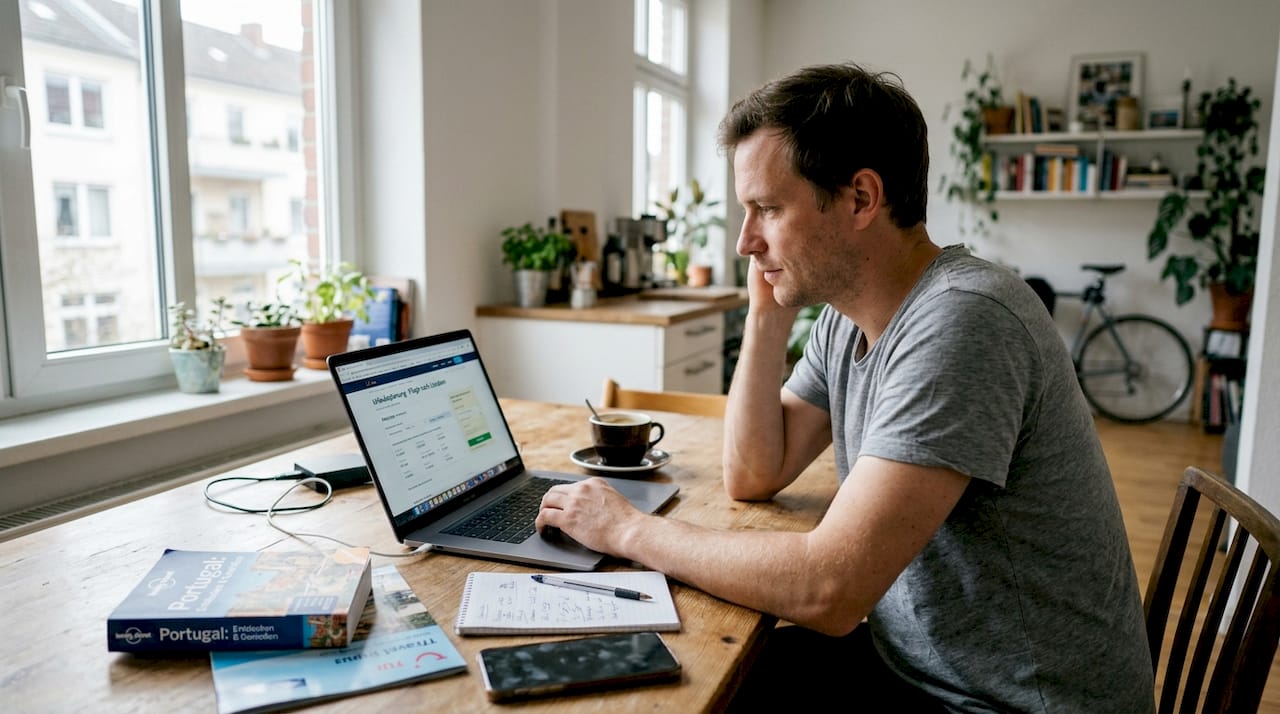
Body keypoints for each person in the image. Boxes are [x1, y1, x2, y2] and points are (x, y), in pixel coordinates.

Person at [536, 61, 1154, 712]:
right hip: (922, 668)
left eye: (767, 209)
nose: (746, 241)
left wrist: (628, 531)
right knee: (682, 676)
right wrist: (767, 314)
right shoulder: (847, 318)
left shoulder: (964, 322)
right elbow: (754, 472)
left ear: (861, 198)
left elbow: (828, 592)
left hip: (1008, 703)